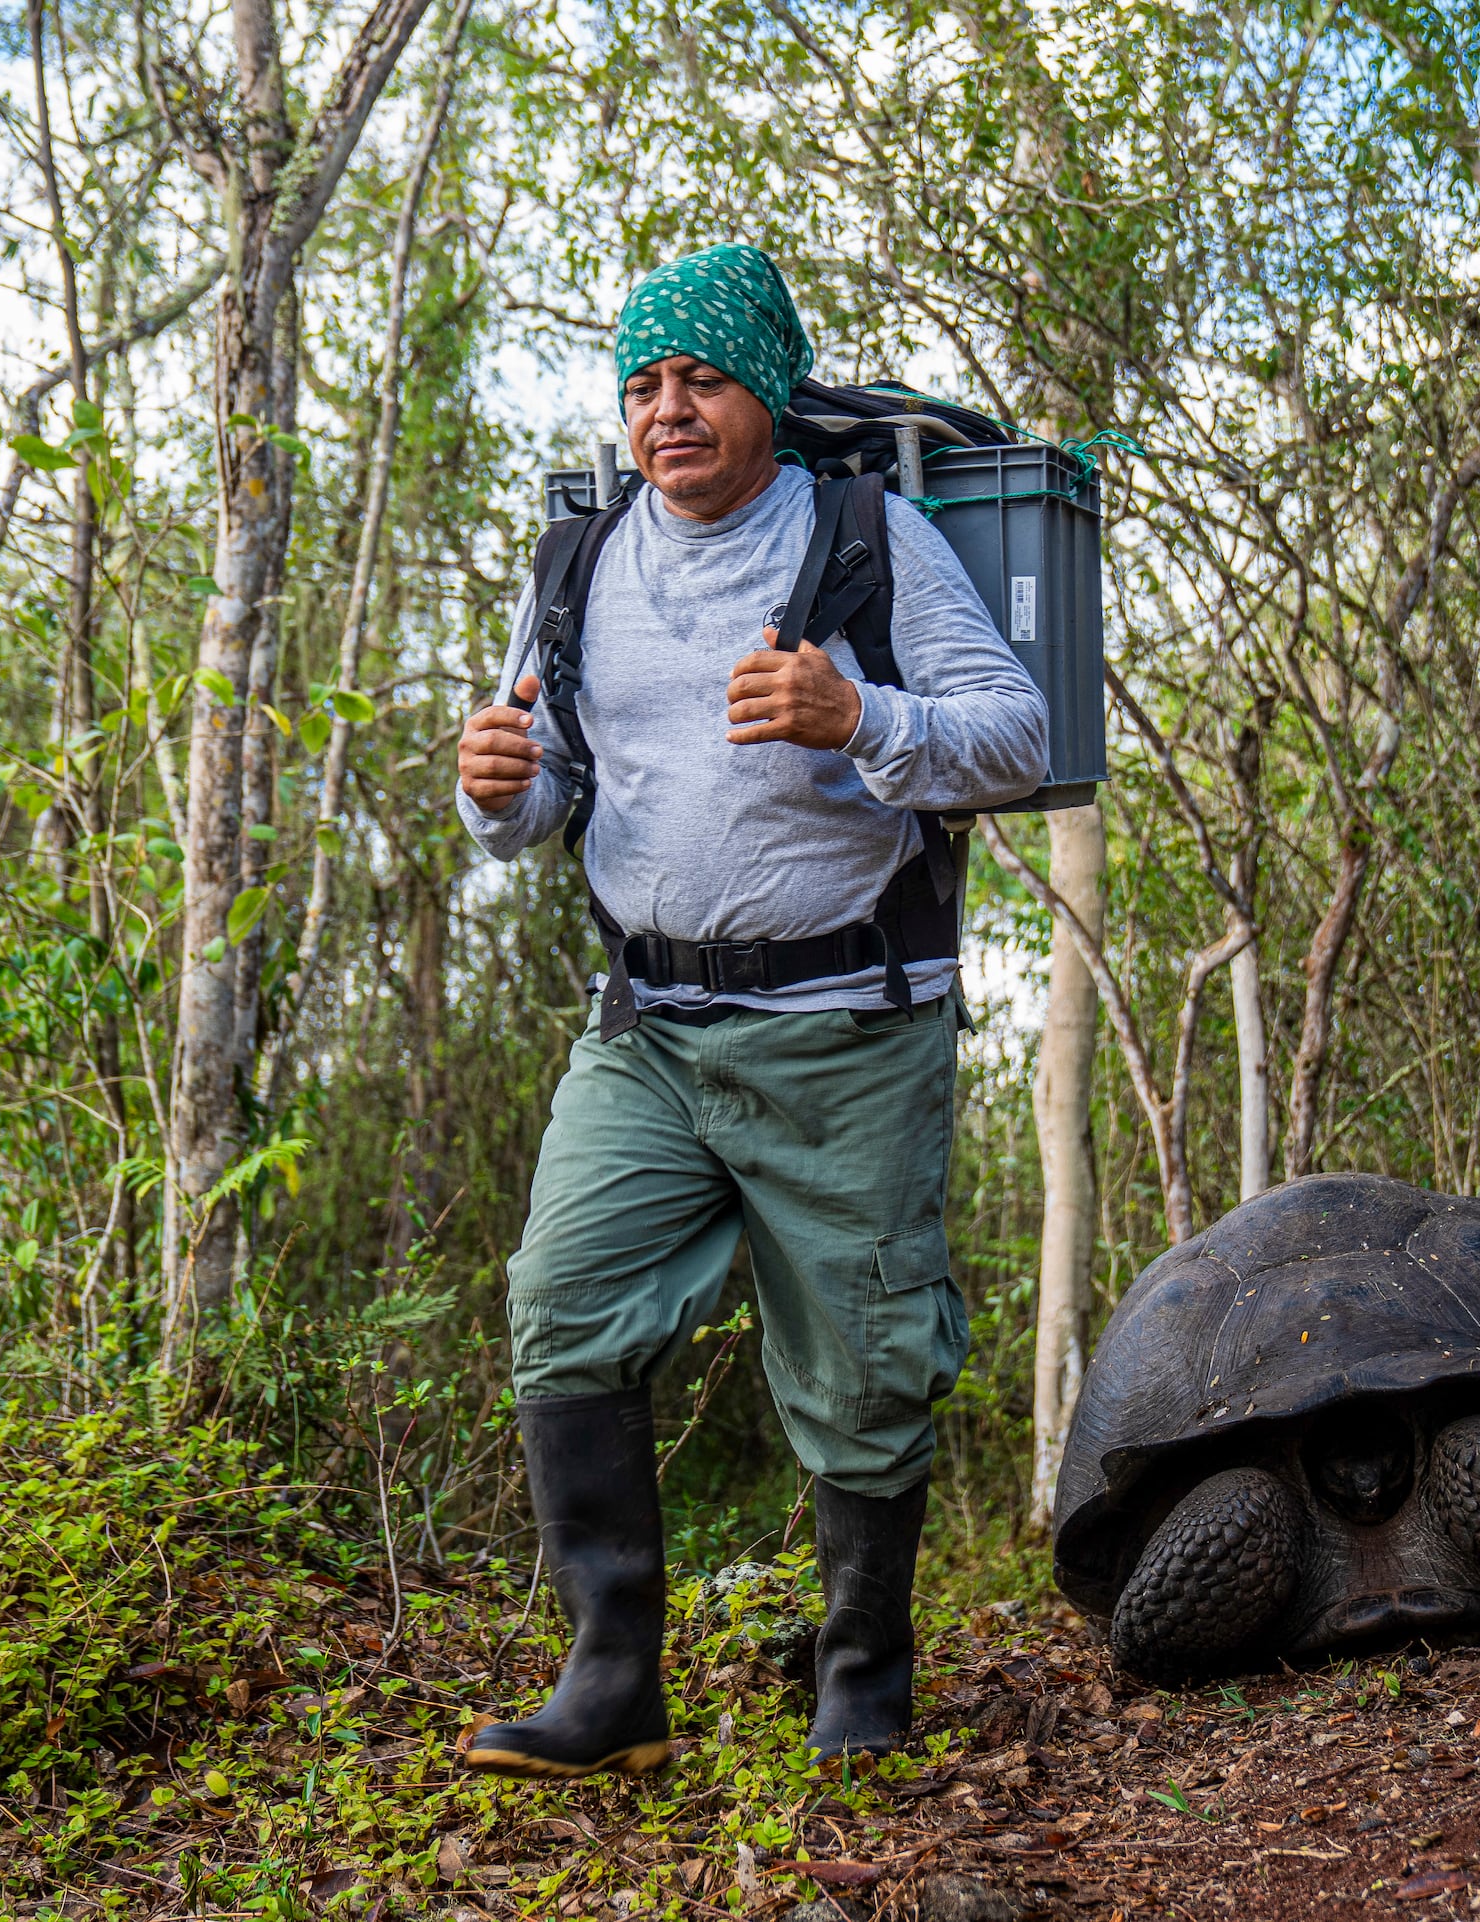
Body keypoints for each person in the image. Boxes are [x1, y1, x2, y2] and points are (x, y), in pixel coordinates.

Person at [452, 244, 1050, 1778]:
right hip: (646, 1030)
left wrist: (863, 714)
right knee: (561, 1302)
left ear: (765, 393)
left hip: (849, 1034)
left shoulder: (874, 539)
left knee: (859, 1373)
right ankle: (612, 1678)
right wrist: (496, 796)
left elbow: (1016, 737)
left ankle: (864, 1674)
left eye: (701, 379)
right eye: (643, 386)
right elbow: (545, 794)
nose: (668, 411)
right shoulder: (576, 565)